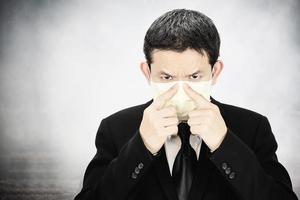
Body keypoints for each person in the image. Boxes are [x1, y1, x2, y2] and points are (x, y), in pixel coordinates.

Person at [74, 8, 298, 200]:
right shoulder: (115, 129)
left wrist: (225, 144)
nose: (181, 92)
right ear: (147, 72)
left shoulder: (253, 128)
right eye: (167, 77)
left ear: (215, 71)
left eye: (194, 77)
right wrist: (141, 148)